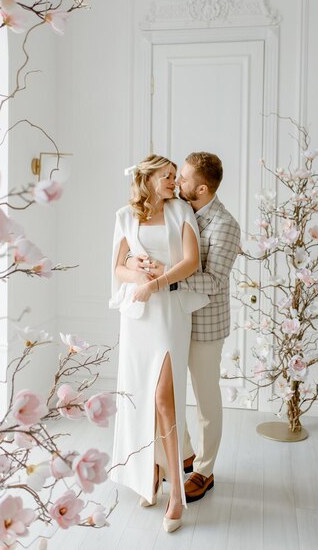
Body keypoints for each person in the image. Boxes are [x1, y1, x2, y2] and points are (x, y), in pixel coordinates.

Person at [127, 152, 240, 503]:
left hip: (205, 324)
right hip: (172, 319)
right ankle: (182, 455)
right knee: (167, 393)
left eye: (185, 178)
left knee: (205, 400)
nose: (178, 182)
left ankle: (204, 470)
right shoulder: (178, 207)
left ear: (202, 188)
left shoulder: (225, 226)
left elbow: (214, 280)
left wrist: (166, 278)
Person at [109, 154, 209, 533]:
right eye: (168, 176)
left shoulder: (180, 211)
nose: (174, 182)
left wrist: (155, 282)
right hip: (137, 315)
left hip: (168, 311)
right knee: (140, 397)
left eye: (174, 177)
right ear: (148, 178)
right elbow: (117, 269)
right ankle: (149, 471)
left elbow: (191, 262)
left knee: (165, 398)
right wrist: (135, 272)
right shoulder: (124, 215)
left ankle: (177, 494)